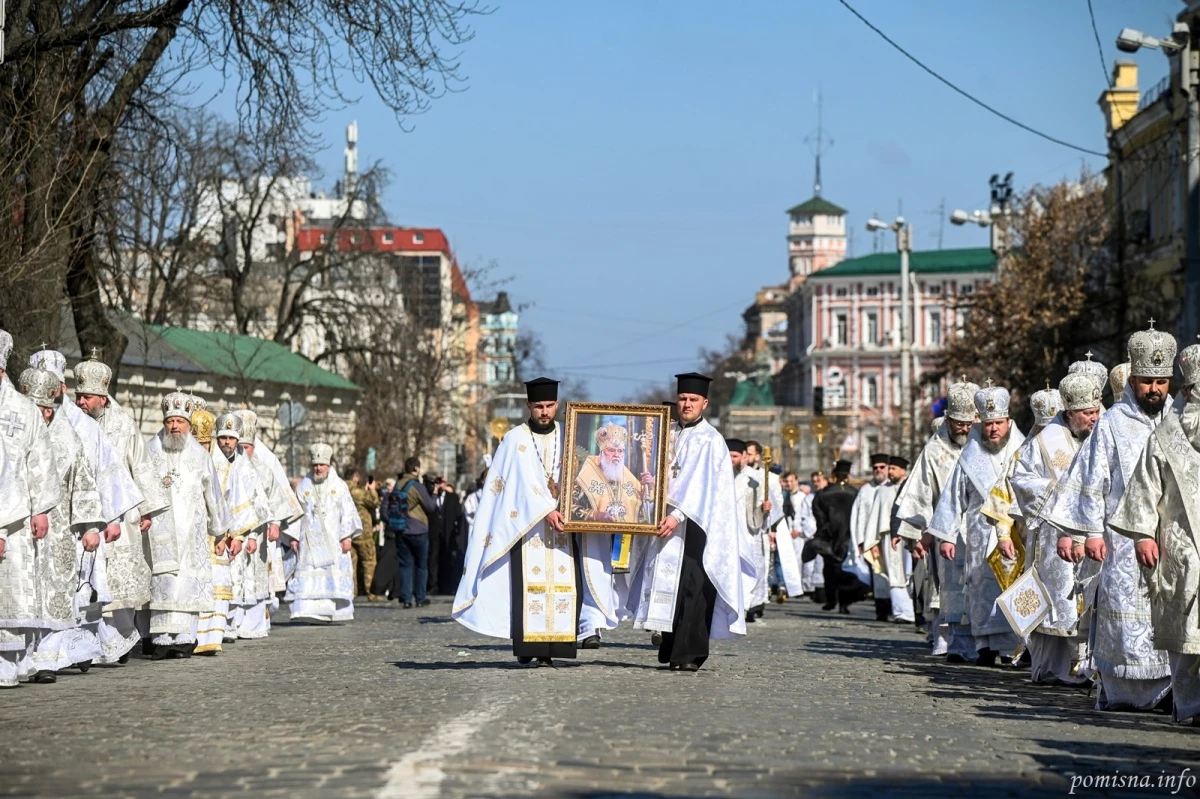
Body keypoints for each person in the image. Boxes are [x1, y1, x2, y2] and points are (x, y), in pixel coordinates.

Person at [1043, 323, 1176, 711]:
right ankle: (1123, 694)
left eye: (1162, 381)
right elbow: (1090, 480)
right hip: (1120, 539)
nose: (1155, 389)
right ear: (1133, 379)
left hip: (1172, 535)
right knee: (1125, 614)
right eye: (1147, 381)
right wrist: (1086, 533)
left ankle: (1173, 692)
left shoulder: (1182, 420)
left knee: (1169, 613)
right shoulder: (1113, 423)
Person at [453, 377, 617, 666]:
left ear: (557, 404)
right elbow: (512, 486)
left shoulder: (570, 436)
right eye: (538, 406)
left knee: (566, 587)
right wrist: (545, 510)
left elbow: (585, 477)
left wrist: (577, 508)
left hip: (565, 527)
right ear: (528, 405)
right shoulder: (514, 439)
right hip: (527, 530)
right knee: (531, 588)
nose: (544, 411)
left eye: (550, 405)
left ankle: (557, 649)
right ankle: (531, 648)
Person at [620, 373, 749, 671]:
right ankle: (670, 645)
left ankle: (690, 654)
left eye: (693, 400)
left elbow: (703, 486)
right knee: (669, 586)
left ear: (704, 403)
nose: (687, 404)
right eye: (682, 399)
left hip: (696, 525)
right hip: (662, 521)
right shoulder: (666, 434)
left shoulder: (712, 440)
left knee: (694, 588)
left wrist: (677, 515)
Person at [1111, 340, 1200, 725]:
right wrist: (1143, 535)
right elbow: (1144, 489)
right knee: (1185, 634)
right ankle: (1190, 706)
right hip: (1181, 546)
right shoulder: (1165, 435)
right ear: (1188, 392)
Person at [1005, 374, 1099, 685]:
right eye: (1088, 413)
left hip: (1094, 531)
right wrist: (1062, 493)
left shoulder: (1101, 435)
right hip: (1052, 534)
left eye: (1097, 411)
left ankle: (1088, 666)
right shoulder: (1044, 441)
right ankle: (1052, 668)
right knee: (1058, 601)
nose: (1094, 418)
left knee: (1090, 600)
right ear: (1071, 412)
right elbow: (1020, 477)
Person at [73, 354, 166, 665]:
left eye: (86, 396)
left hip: (122, 513)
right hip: (86, 513)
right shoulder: (72, 422)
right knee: (89, 580)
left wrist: (148, 509)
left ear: (101, 397)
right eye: (78, 395)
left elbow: (141, 465)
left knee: (120, 583)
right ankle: (87, 643)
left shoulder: (124, 424)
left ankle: (121, 641)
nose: (80, 401)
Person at [928, 382, 1026, 667]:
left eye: (998, 423)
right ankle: (984, 647)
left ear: (1008, 422)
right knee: (981, 592)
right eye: (987, 424)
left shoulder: (1023, 450)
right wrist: (946, 535)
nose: (993, 429)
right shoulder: (969, 456)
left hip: (1015, 536)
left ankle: (1013, 650)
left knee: (1012, 589)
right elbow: (952, 496)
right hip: (977, 537)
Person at [19, 368, 104, 682]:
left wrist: (91, 527)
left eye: (45, 410)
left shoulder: (69, 438)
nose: (41, 415)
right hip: (18, 530)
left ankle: (47, 660)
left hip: (60, 534)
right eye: (34, 409)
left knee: (55, 595)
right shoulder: (11, 434)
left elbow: (83, 483)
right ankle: (22, 658)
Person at [143, 393, 230, 659]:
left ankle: (183, 640)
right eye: (171, 421)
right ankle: (160, 640)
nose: (174, 427)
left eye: (180, 421)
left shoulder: (199, 455)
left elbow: (213, 494)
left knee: (186, 585)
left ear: (188, 424)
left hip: (192, 533)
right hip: (160, 532)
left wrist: (219, 529)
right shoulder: (150, 450)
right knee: (164, 584)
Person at [896, 381, 977, 653]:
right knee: (949, 588)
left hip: (981, 527)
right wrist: (915, 532)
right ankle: (951, 642)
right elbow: (919, 492)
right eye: (959, 423)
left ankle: (986, 643)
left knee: (981, 586)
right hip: (947, 530)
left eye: (969, 423)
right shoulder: (934, 450)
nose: (965, 429)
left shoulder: (985, 447)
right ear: (949, 419)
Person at [284, 444, 361, 623]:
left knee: (330, 574)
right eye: (315, 465)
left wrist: (347, 536)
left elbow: (348, 513)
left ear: (328, 465)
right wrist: (293, 537)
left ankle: (332, 611)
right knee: (309, 573)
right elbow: (296, 512)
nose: (318, 468)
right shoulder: (303, 486)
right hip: (309, 540)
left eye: (321, 465)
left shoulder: (340, 486)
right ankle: (306, 611)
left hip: (333, 540)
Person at [380, 458, 438, 608]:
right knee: (421, 565)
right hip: (418, 530)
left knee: (405, 565)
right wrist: (435, 494)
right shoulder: (417, 486)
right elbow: (431, 507)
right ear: (416, 469)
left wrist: (392, 521)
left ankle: (406, 599)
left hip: (401, 529)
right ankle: (420, 598)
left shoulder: (397, 485)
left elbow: (386, 507)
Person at [570, 421, 654, 524]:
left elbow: (644, 513)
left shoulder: (629, 477)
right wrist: (595, 515)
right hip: (596, 534)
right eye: (611, 450)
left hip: (625, 536)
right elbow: (569, 507)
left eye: (620, 451)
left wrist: (648, 490)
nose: (616, 455)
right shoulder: (587, 474)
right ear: (601, 453)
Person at [737, 440, 782, 622]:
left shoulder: (760, 478)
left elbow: (776, 506)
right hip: (734, 530)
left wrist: (766, 510)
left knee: (754, 569)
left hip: (752, 530)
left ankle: (752, 605)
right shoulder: (727, 476)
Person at [864, 456, 912, 623]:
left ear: (903, 470)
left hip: (910, 535)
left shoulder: (912, 486)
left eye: (893, 469)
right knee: (894, 573)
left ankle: (916, 611)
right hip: (889, 538)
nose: (890, 472)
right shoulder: (883, 490)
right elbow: (875, 519)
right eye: (889, 468)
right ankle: (902, 612)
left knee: (911, 573)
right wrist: (874, 542)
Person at [810, 460, 858, 613]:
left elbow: (818, 514)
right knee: (846, 568)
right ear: (848, 475)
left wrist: (824, 530)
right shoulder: (855, 493)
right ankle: (844, 603)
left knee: (830, 568)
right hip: (848, 536)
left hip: (829, 536)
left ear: (834, 475)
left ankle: (831, 599)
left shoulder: (823, 494)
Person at [432, 475, 468, 598]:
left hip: (448, 533)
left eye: (441, 482)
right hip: (435, 534)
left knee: (448, 559)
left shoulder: (452, 497)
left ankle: (447, 585)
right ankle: (434, 585)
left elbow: (459, 515)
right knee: (434, 559)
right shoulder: (432, 496)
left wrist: (456, 531)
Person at [347, 468, 380, 599]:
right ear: (355, 478)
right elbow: (374, 503)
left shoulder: (339, 490)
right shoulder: (357, 492)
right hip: (362, 531)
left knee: (350, 562)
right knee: (369, 561)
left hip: (345, 532)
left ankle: (351, 591)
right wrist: (371, 489)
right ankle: (370, 591)